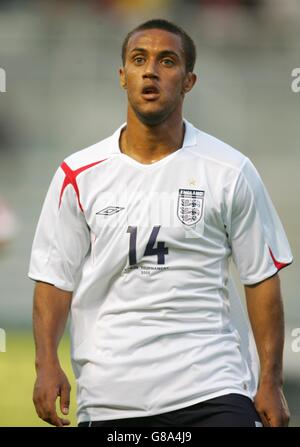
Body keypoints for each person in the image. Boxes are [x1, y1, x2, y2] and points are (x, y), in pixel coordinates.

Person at [29, 19, 293, 427]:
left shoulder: (229, 171)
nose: (150, 70)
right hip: (111, 397)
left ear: (188, 81)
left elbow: (260, 278)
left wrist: (271, 381)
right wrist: (46, 364)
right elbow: (53, 279)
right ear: (123, 77)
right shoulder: (78, 175)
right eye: (139, 60)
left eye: (166, 61)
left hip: (212, 388)